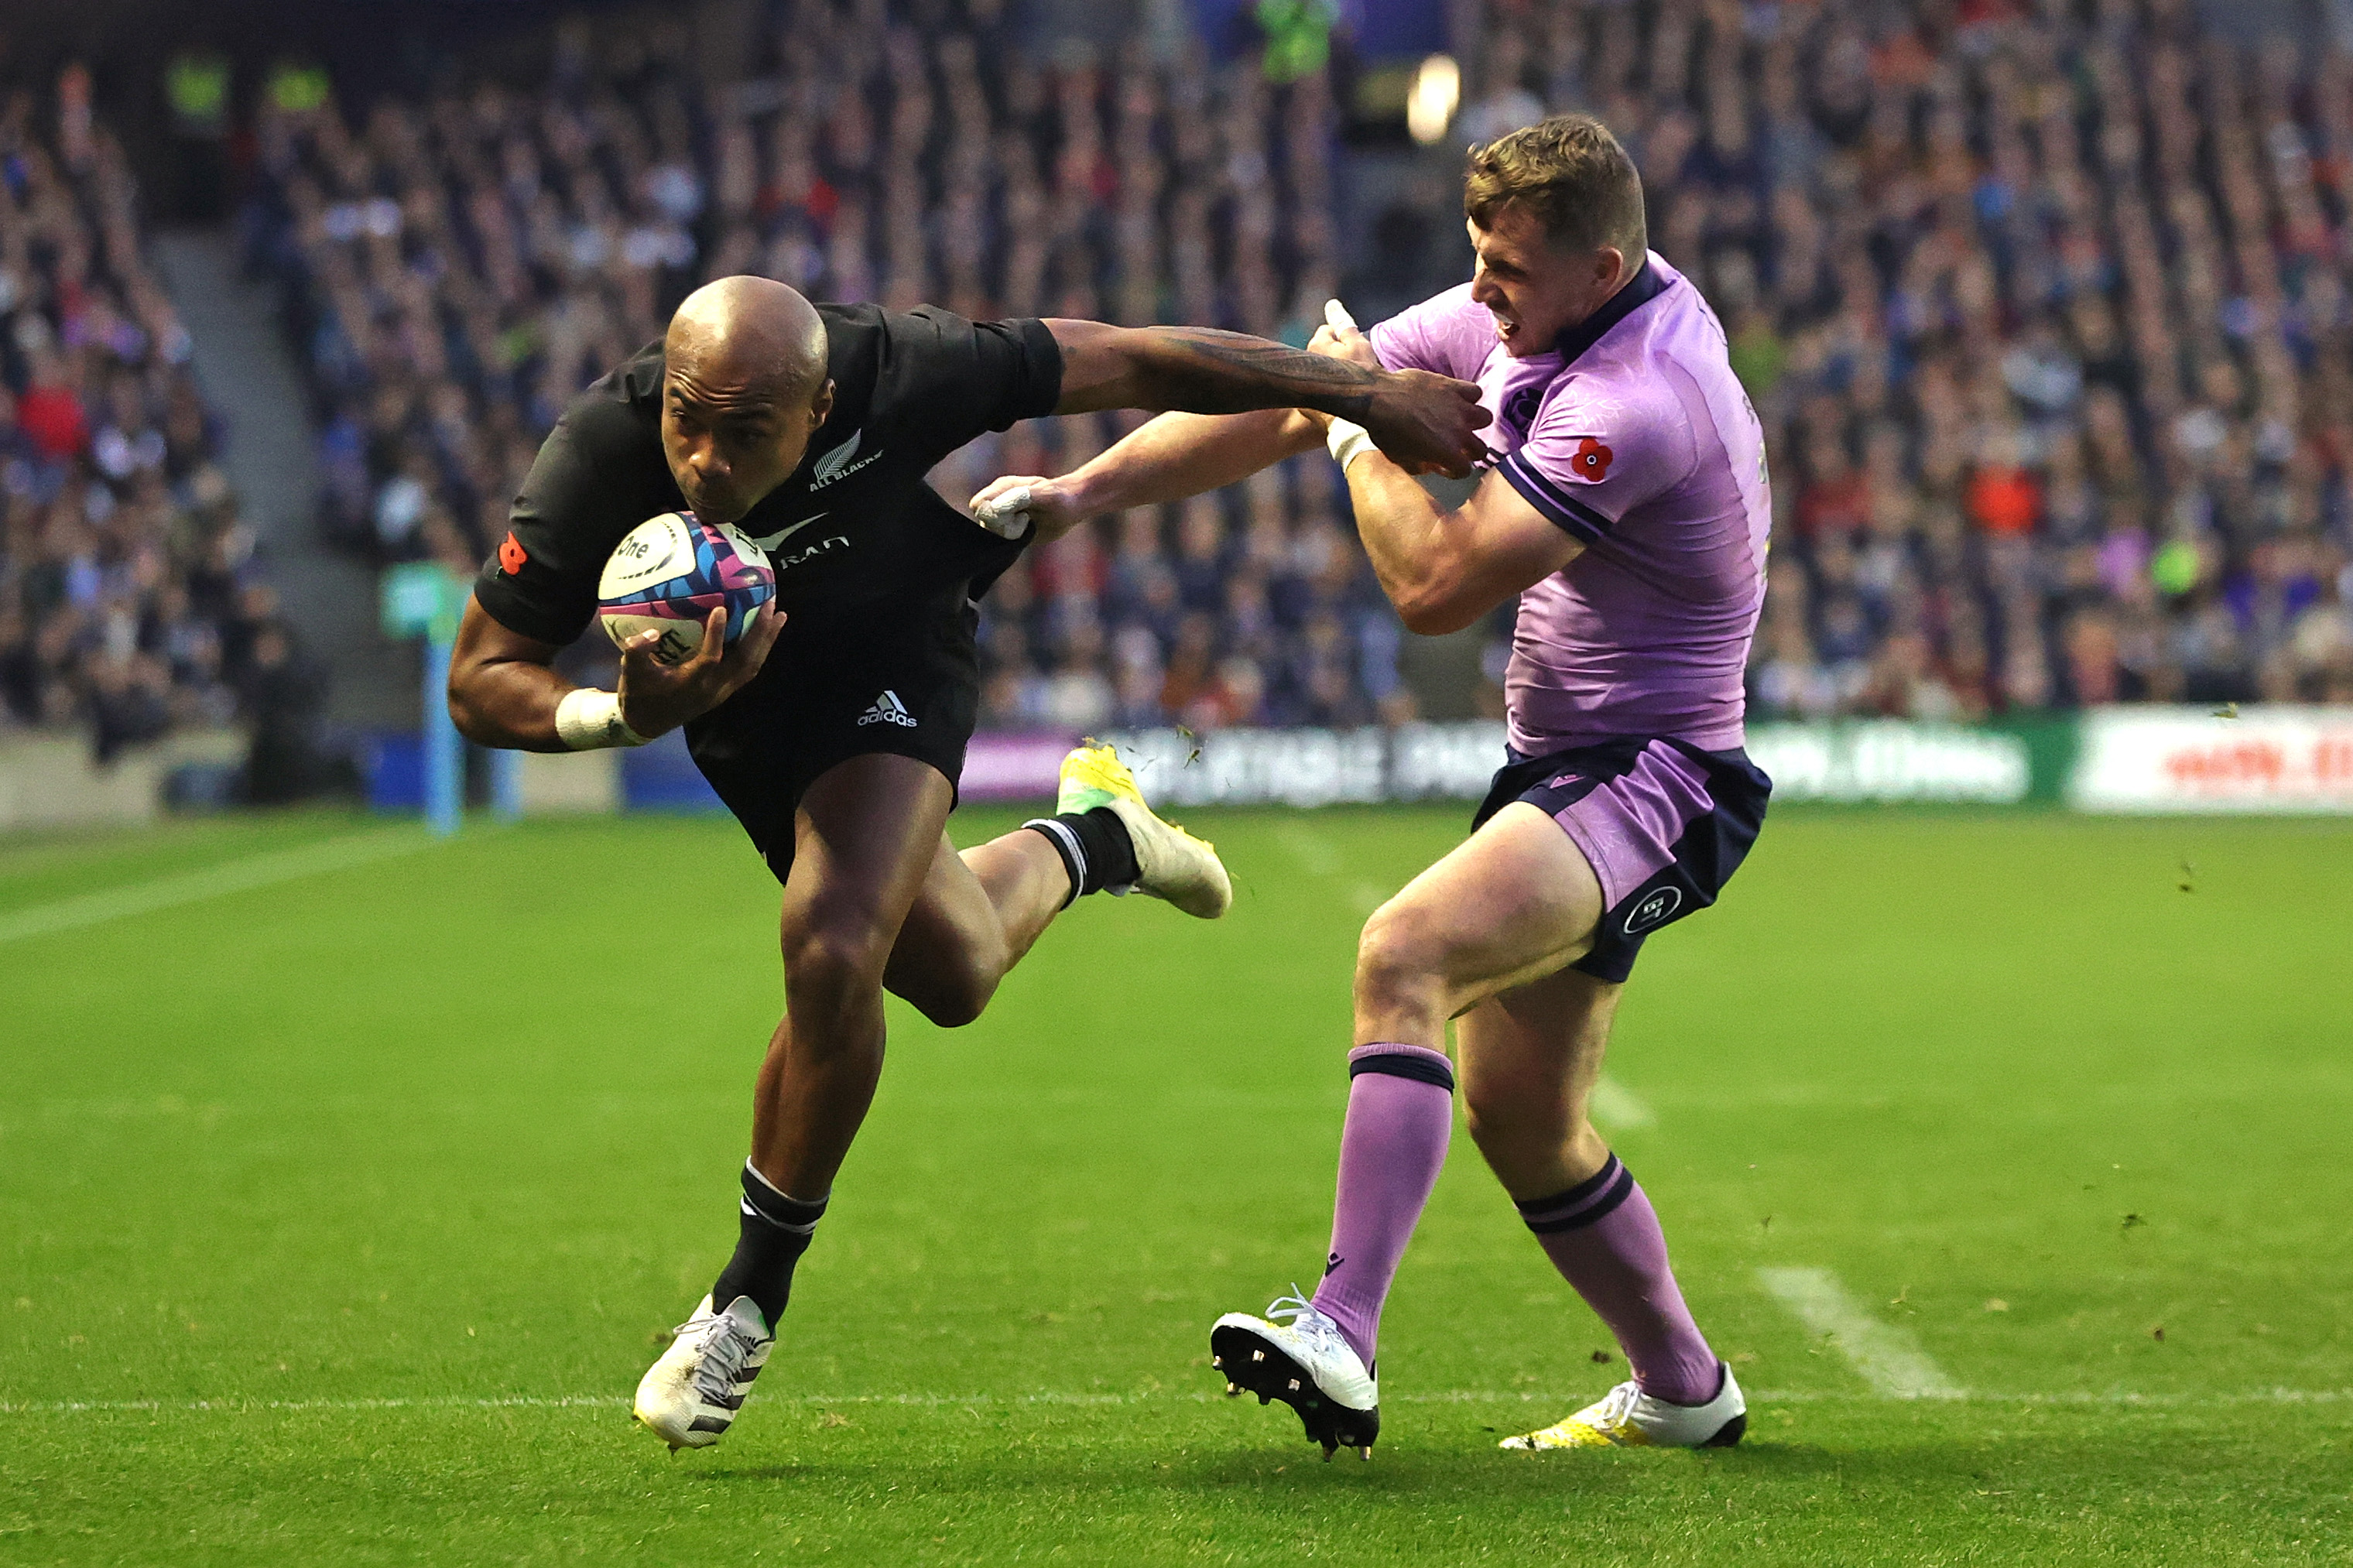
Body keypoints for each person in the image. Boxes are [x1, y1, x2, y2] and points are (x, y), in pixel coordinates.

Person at [445, 275, 1488, 1450]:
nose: (704, 461)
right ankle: (1099, 836)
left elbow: (1140, 353)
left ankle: (743, 1299)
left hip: (898, 655)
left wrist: (1364, 393)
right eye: (689, 419)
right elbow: (481, 675)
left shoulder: (907, 368)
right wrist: (617, 718)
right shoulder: (602, 451)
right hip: (747, 719)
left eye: (747, 435)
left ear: (823, 403)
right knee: (953, 971)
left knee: (833, 942)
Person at [974, 115, 1771, 1457]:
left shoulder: (1638, 399)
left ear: (1604, 265)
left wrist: (1361, 434)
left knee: (1399, 950)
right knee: (1526, 1118)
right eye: (1475, 255)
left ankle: (1341, 1326)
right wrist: (1077, 494)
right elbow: (1300, 391)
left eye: (1508, 268)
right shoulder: (1529, 318)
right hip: (1569, 768)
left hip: (1658, 776)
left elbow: (1435, 588)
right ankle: (1687, 1389)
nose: (1478, 291)